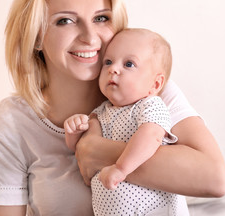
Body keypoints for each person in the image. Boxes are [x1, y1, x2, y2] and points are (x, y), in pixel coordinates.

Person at [0, 0, 225, 215]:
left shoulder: (149, 91)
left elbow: (214, 179)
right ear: (37, 35)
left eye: (101, 18)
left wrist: (98, 151)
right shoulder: (11, 123)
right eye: (65, 20)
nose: (89, 37)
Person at [65, 28, 189, 215]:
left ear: (155, 84)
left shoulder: (150, 105)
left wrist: (121, 169)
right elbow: (83, 151)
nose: (113, 69)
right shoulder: (101, 112)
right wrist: (73, 133)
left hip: (153, 210)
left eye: (129, 64)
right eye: (108, 62)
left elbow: (151, 136)